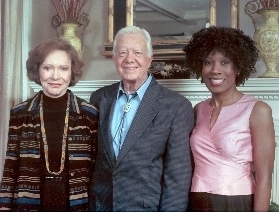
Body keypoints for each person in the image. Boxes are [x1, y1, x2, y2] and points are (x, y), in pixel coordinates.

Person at [89, 26, 194, 211]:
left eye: (137, 52)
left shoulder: (175, 106)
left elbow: (178, 177)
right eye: (122, 52)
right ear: (114, 59)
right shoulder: (99, 98)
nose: (129, 59)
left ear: (149, 59)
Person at [0, 38, 98, 211]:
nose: (55, 76)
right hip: (29, 204)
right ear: (37, 71)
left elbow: (96, 171)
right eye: (47, 68)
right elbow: (10, 170)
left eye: (63, 68)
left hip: (77, 205)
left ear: (72, 72)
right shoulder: (20, 113)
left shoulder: (89, 114)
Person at [184, 26, 276, 212]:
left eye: (225, 62)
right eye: (208, 62)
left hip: (237, 203)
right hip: (196, 202)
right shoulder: (197, 110)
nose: (215, 70)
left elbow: (264, 178)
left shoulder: (258, 110)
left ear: (238, 67)